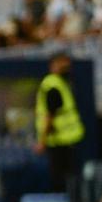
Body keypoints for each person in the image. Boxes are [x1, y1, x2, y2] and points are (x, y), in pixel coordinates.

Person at [34, 53, 86, 194]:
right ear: (53, 65)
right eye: (61, 63)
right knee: (59, 182)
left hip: (67, 140)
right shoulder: (52, 85)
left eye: (67, 63)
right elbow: (49, 116)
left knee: (70, 180)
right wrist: (42, 142)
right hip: (58, 141)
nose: (65, 66)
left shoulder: (62, 82)